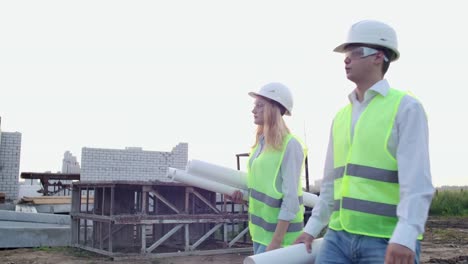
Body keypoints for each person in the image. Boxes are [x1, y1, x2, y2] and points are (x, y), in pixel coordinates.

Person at [294, 20, 434, 264]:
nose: (346, 59)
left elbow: (417, 183)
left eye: (354, 53)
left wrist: (406, 235)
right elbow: (330, 185)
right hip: (338, 238)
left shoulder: (405, 108)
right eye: (346, 54)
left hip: (385, 239)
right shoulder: (341, 117)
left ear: (378, 56)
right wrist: (312, 228)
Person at [229, 82, 306, 255]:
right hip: (260, 235)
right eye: (254, 105)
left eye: (260, 105)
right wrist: (242, 197)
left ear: (273, 108)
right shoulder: (260, 145)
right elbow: (264, 191)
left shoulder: (290, 145)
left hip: (281, 240)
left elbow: (291, 200)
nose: (253, 110)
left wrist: (276, 242)